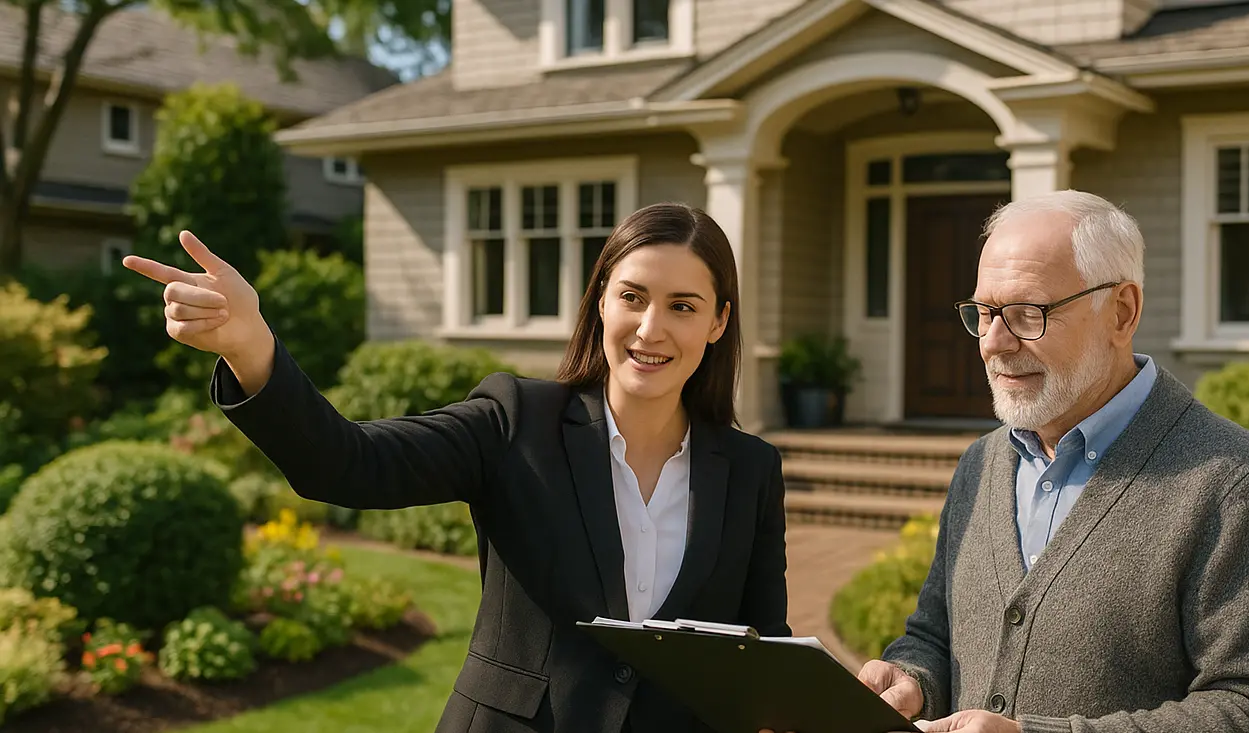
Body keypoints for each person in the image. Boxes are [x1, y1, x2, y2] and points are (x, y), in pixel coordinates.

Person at [123, 203, 791, 733]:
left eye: (682, 306)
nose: (650, 328)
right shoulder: (515, 421)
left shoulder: (752, 471)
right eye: (633, 297)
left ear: (717, 322)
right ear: (601, 302)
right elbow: (349, 464)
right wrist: (250, 346)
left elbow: (766, 658)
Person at [859, 190, 1249, 733]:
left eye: (1028, 314)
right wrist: (913, 678)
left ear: (1122, 312)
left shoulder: (1230, 481)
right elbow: (935, 634)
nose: (993, 343)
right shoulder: (981, 463)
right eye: (984, 313)